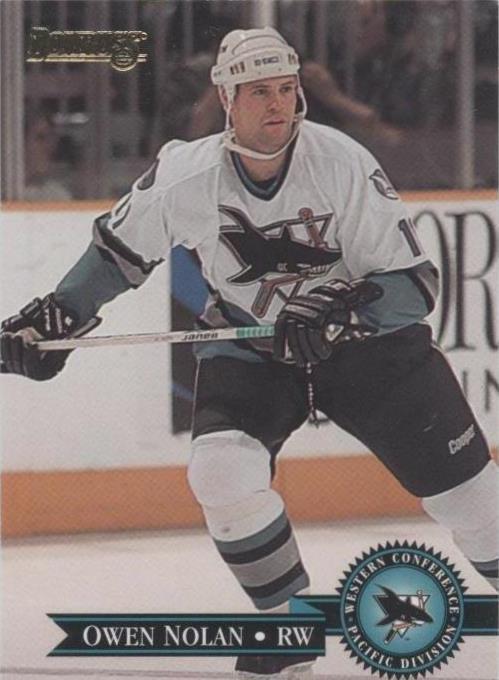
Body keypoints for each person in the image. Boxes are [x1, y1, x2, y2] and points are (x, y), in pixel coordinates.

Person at [1, 28, 497, 679]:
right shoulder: (186, 173)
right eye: (259, 91)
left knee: (474, 505)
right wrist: (58, 318)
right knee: (220, 473)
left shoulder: (341, 161)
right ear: (227, 99)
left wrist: (341, 311)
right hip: (255, 348)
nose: (277, 104)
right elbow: (116, 256)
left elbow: (415, 285)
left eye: (286, 89)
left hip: (371, 351)